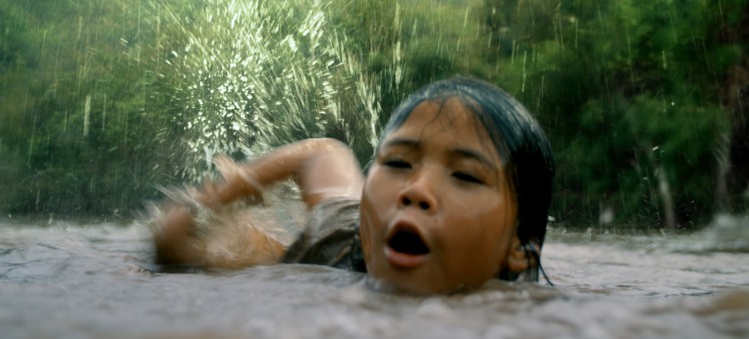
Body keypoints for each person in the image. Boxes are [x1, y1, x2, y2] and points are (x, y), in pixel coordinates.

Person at [150, 77, 554, 294]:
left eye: (465, 175)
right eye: (397, 161)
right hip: (345, 228)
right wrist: (217, 199)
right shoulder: (326, 254)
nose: (414, 189)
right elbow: (318, 153)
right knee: (173, 239)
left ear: (521, 250)